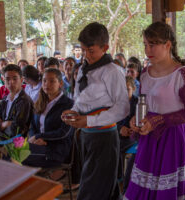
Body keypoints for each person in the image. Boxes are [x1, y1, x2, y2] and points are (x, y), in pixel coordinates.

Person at [124, 22, 185, 200]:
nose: (147, 49)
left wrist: (158, 121)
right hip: (148, 136)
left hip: (172, 138)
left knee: (166, 190)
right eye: (145, 44)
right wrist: (137, 118)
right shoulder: (145, 73)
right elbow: (145, 103)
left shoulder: (182, 74)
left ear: (167, 45)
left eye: (152, 44)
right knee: (143, 187)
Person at [61, 22, 129, 200]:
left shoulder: (112, 71)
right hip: (86, 135)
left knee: (92, 190)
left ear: (105, 47)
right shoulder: (83, 68)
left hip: (104, 137)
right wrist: (74, 111)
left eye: (91, 51)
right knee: (103, 186)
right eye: (83, 50)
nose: (86, 55)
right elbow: (80, 98)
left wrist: (89, 120)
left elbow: (122, 108)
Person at [24, 68, 74, 168]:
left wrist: (41, 137)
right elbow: (33, 126)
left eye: (52, 81)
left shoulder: (69, 104)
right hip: (38, 145)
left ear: (60, 84)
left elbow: (64, 132)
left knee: (18, 155)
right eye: (44, 80)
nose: (47, 84)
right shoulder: (40, 102)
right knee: (10, 150)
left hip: (56, 150)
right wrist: (35, 139)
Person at [0, 64, 33, 138]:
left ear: (22, 80)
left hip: (16, 145)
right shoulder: (4, 100)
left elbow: (16, 130)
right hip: (0, 141)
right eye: (7, 79)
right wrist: (4, 124)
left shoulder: (24, 101)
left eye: (15, 79)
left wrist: (0, 124)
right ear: (4, 80)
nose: (11, 82)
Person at [118, 76, 138, 194]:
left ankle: (123, 184)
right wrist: (120, 128)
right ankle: (116, 180)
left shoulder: (138, 104)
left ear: (134, 89)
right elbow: (110, 122)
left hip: (133, 138)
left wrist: (132, 129)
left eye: (127, 89)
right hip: (118, 136)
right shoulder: (115, 103)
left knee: (116, 147)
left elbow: (140, 122)